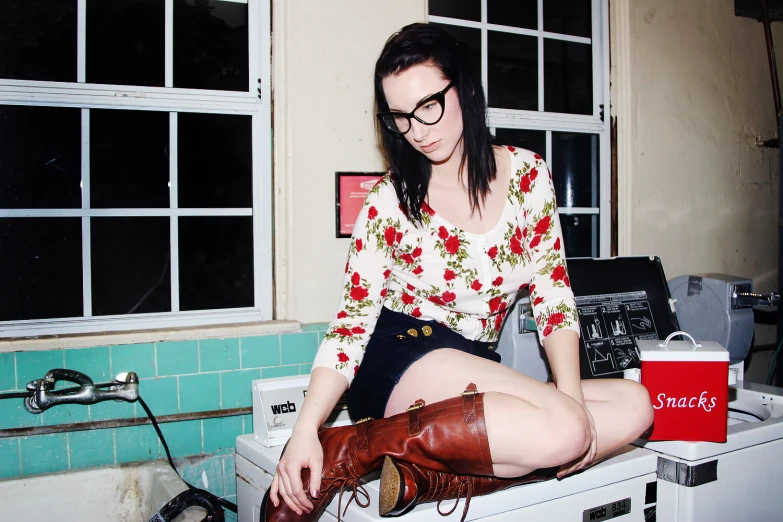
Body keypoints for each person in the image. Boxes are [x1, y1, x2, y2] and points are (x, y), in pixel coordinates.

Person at [261, 23, 654, 522]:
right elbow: (350, 327)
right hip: (402, 351)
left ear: (466, 89)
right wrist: (304, 430)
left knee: (636, 405)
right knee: (569, 431)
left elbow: (553, 296)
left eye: (429, 106)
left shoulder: (529, 177)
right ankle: (353, 445)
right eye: (400, 117)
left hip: (472, 363)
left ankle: (426, 476)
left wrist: (571, 400)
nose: (418, 131)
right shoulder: (388, 202)